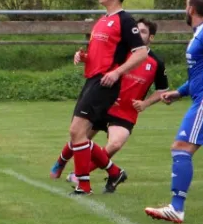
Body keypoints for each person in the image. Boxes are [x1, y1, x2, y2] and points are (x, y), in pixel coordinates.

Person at [51, 18, 169, 185]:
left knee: (115, 144)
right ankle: (60, 162)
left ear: (151, 38)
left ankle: (80, 174)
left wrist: (145, 103)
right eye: (137, 30)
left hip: (126, 111)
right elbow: (98, 61)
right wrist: (83, 57)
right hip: (105, 103)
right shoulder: (121, 51)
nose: (138, 34)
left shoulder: (156, 63)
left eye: (143, 32)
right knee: (79, 136)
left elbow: (162, 90)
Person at [145, 0, 203, 224]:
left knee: (181, 147)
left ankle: (176, 208)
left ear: (191, 9)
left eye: (185, 4)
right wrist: (179, 91)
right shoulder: (201, 34)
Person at [61, 0, 148, 195]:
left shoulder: (125, 21)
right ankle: (113, 172)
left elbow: (141, 53)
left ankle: (84, 185)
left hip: (105, 83)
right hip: (92, 80)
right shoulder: (102, 21)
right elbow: (101, 55)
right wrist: (84, 57)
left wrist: (118, 72)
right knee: (77, 133)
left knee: (77, 131)